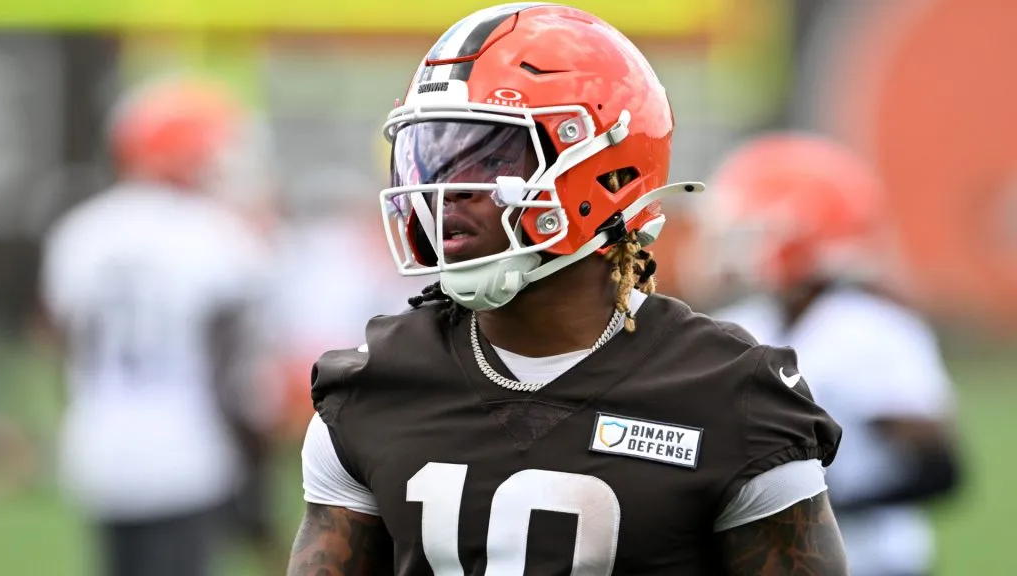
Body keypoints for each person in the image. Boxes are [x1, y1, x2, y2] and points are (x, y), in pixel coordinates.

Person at [289, 4, 847, 575]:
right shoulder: (371, 385)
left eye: (490, 155)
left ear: (608, 172)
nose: (445, 190)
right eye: (431, 155)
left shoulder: (730, 394)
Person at [39, 75, 278, 576]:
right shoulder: (217, 236)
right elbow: (231, 378)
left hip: (97, 443)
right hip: (186, 450)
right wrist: (255, 494)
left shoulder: (81, 232)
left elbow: (66, 343)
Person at [704, 132, 962, 576]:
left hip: (872, 561)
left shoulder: (872, 333)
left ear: (797, 232)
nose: (737, 246)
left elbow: (939, 469)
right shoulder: (736, 324)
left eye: (753, 229)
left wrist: (820, 501)